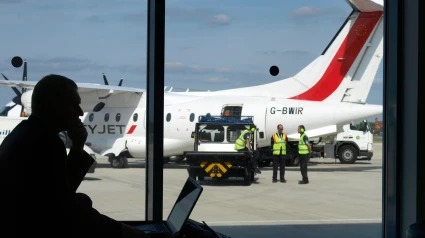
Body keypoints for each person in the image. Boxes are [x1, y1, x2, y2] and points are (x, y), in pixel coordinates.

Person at [0, 74, 151, 237]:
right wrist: (125, 232)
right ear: (54, 106)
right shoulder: (44, 142)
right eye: (74, 105)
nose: (80, 112)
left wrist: (78, 145)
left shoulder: (28, 133)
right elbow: (65, 211)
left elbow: (62, 193)